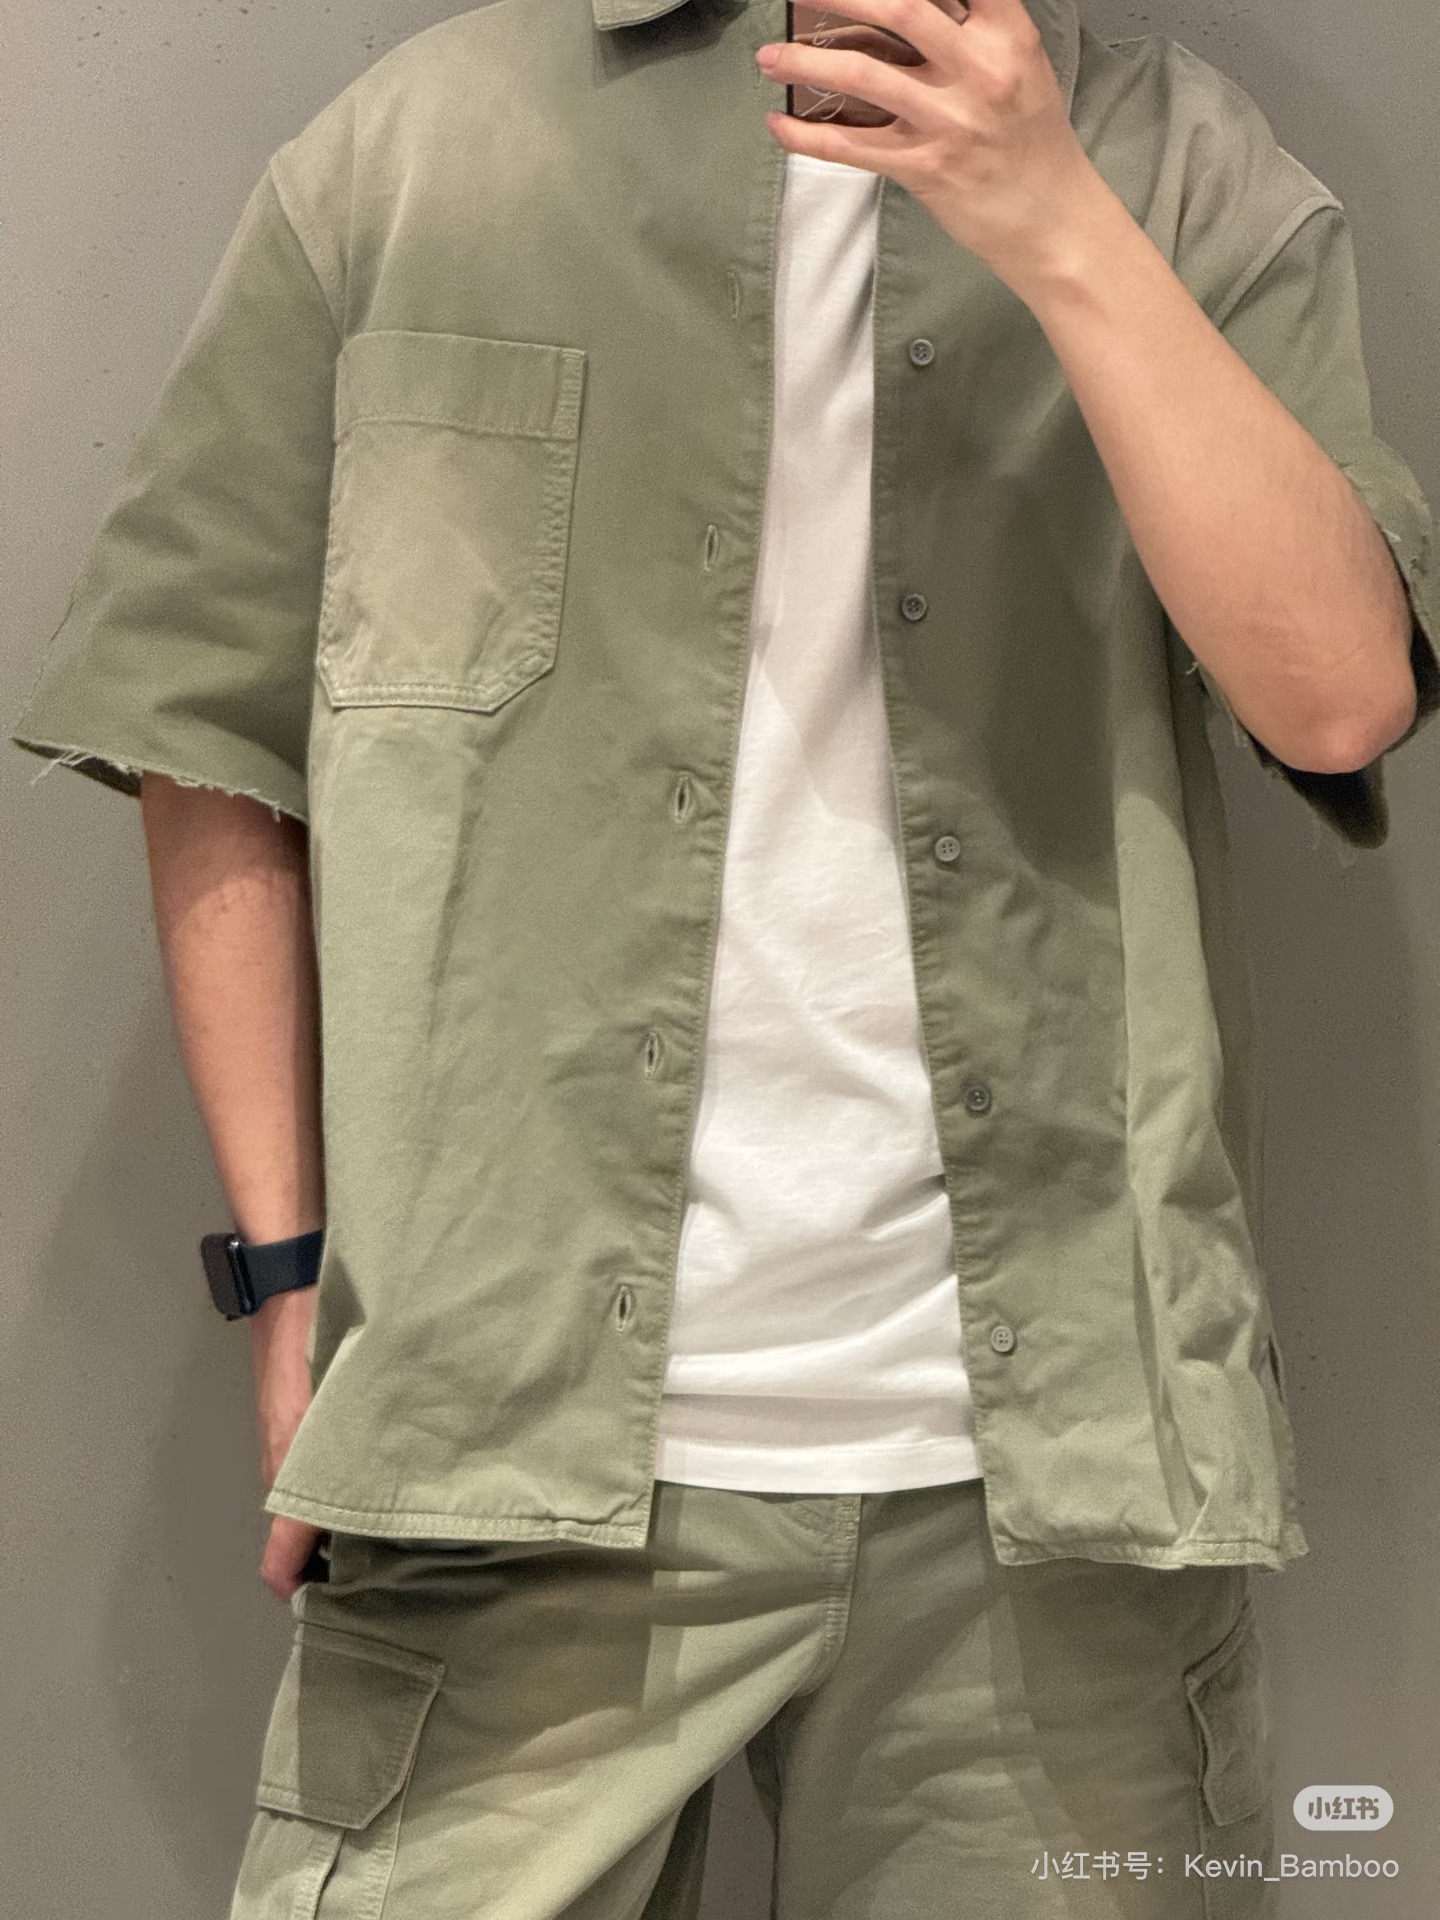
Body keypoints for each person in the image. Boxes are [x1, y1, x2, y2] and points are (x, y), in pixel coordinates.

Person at [11, 1, 1439, 1913]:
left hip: (1056, 1493)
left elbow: (1338, 696)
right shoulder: (423, 152)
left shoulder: (1184, 171)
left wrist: (1058, 220)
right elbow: (208, 730)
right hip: (500, 1447)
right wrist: (287, 1275)